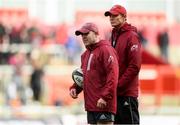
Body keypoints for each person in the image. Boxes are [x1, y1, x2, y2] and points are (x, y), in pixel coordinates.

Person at [69, 22, 119, 125]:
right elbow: (85, 77)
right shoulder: (85, 54)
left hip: (103, 104)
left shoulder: (106, 50)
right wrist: (75, 88)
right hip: (90, 105)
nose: (83, 37)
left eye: (86, 34)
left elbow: (113, 76)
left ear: (96, 33)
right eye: (82, 35)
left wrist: (105, 97)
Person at [104, 5, 142, 124]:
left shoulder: (131, 36)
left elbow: (135, 66)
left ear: (124, 17)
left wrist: (117, 85)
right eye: (110, 16)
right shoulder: (113, 35)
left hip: (127, 94)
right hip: (116, 94)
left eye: (115, 15)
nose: (111, 18)